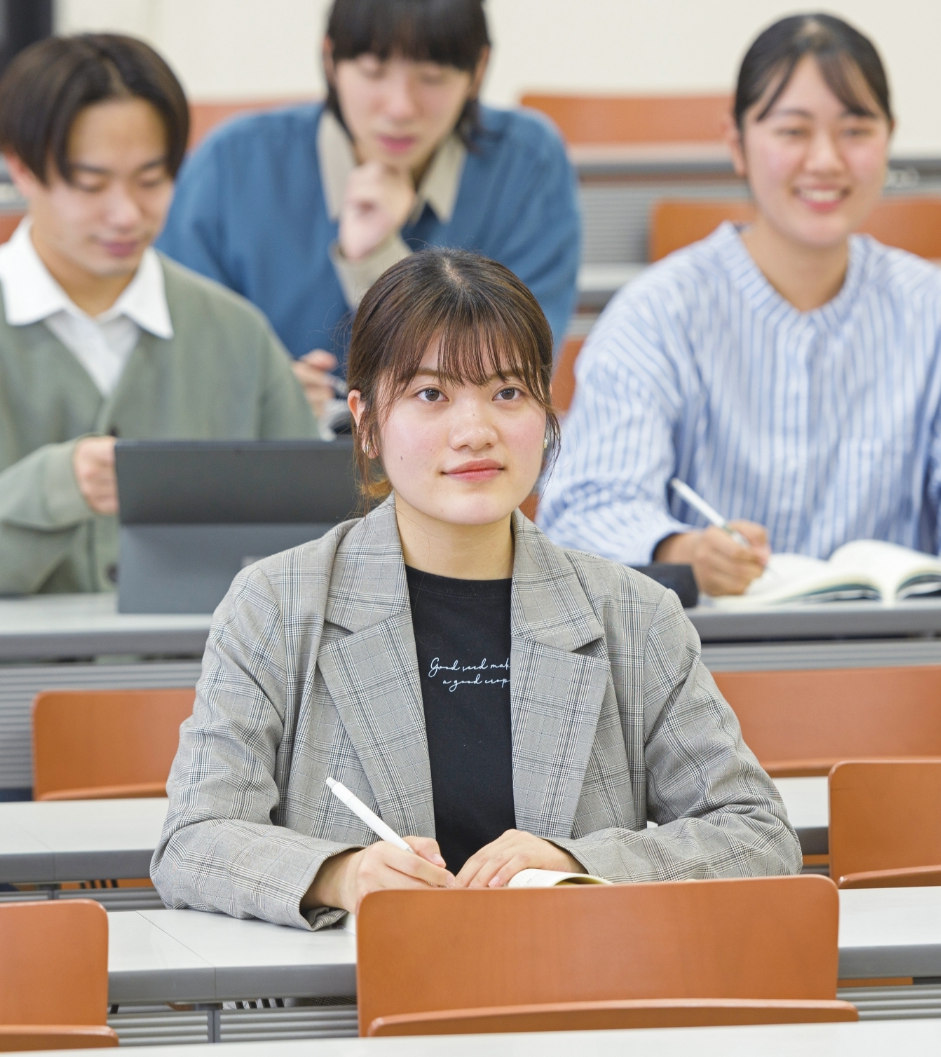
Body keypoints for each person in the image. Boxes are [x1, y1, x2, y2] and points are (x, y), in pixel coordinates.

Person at [151, 249, 799, 930]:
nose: (475, 432)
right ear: (366, 422)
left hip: (572, 995)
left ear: (547, 415)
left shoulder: (634, 614)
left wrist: (575, 861)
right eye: (431, 395)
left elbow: (756, 834)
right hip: (354, 1005)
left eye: (508, 393)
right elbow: (194, 838)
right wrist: (343, 874)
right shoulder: (275, 606)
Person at [538, 13, 941, 598]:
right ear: (738, 145)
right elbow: (590, 505)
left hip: (900, 667)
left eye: (856, 130)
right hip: (699, 669)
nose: (826, 160)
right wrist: (677, 552)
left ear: (888, 138)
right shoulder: (656, 315)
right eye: (793, 131)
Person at [0, 33, 317, 597]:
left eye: (151, 180)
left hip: (206, 679)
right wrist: (56, 488)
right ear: (22, 169)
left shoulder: (235, 333)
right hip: (14, 683)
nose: (126, 213)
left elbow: (310, 546)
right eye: (91, 183)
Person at [156, 0, 581, 420]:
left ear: (478, 71)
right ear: (331, 60)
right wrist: (261, 399)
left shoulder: (527, 166)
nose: (400, 107)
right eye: (374, 72)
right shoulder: (232, 167)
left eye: (433, 77)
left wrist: (379, 261)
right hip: (264, 475)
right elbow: (175, 365)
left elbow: (513, 385)